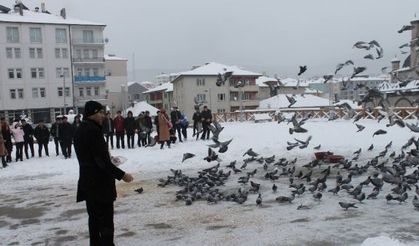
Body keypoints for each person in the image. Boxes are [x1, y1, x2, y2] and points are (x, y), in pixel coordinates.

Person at [74, 100, 134, 245]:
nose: (103, 116)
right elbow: (101, 162)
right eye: (100, 113)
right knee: (106, 222)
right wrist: (122, 175)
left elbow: (93, 157)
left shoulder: (80, 129)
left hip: (88, 183)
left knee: (93, 221)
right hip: (99, 186)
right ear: (92, 114)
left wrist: (107, 158)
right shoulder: (93, 131)